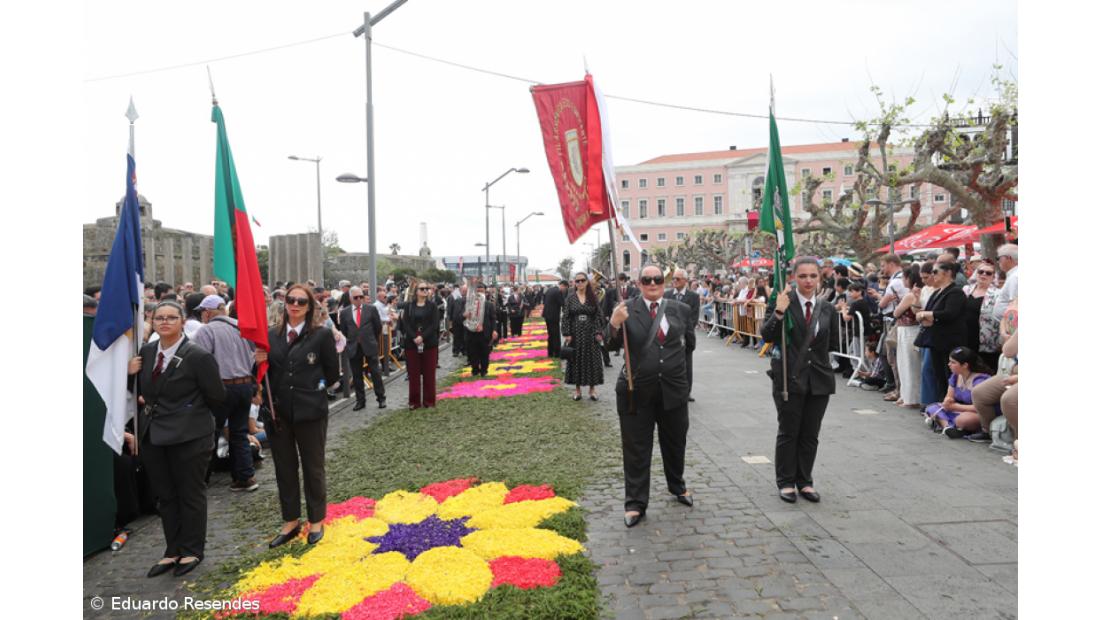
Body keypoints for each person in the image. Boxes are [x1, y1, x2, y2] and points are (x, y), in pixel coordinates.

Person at [128, 300, 226, 577]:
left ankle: (193, 549)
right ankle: (172, 550)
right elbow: (140, 390)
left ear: (183, 321)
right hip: (154, 435)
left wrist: (191, 414)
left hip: (190, 436)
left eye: (172, 317)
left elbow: (216, 396)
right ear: (153, 321)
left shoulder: (197, 355)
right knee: (166, 496)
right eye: (160, 318)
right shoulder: (146, 352)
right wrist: (128, 374)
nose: (165, 322)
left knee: (190, 494)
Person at [605, 265, 694, 527]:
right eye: (647, 279)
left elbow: (689, 346)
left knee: (675, 442)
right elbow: (609, 346)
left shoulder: (681, 309)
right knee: (636, 449)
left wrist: (684, 382)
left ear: (664, 281)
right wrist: (613, 324)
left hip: (673, 390)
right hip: (636, 391)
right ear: (639, 282)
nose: (653, 283)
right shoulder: (625, 308)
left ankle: (677, 486)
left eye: (657, 279)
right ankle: (635, 503)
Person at [255, 284, 340, 548]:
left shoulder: (321, 336)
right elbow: (260, 375)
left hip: (310, 412)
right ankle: (290, 520)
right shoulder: (270, 336)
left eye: (301, 302)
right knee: (284, 468)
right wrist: (257, 360)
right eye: (290, 300)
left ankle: (316, 520)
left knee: (313, 467)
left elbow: (333, 373)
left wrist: (314, 391)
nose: (294, 305)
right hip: (278, 413)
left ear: (310, 307)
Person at [762, 257, 840, 504]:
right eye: (803, 276)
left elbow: (833, 343)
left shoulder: (826, 308)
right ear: (793, 278)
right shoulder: (782, 301)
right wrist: (779, 311)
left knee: (810, 433)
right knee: (789, 431)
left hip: (818, 379)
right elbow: (766, 334)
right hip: (788, 378)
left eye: (813, 276)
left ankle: (805, 481)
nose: (808, 281)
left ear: (820, 278)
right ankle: (786, 482)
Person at [191, 294, 259, 492]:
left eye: (202, 311)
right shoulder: (241, 326)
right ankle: (245, 476)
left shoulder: (207, 330)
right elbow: (256, 354)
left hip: (222, 386)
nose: (202, 315)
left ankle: (202, 478)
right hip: (244, 385)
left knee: (209, 432)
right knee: (239, 432)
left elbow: (200, 361)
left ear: (208, 312)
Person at [915, 262, 967, 402]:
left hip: (948, 341)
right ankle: (940, 405)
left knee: (947, 375)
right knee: (938, 375)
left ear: (948, 273)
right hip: (936, 340)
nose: (933, 275)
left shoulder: (956, 292)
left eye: (936, 272)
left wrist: (928, 315)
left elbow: (950, 313)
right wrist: (925, 315)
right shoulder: (938, 291)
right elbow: (929, 311)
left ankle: (948, 405)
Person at [922, 347, 995, 438]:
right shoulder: (956, 376)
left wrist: (955, 407)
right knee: (932, 407)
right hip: (960, 409)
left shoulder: (979, 380)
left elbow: (980, 407)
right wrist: (948, 401)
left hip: (980, 412)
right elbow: (949, 397)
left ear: (965, 365)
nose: (949, 364)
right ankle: (948, 427)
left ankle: (947, 423)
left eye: (953, 362)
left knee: (963, 420)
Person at [338, 287, 386, 411]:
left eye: (361, 296)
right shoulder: (345, 313)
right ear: (350, 298)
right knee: (357, 375)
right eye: (356, 297)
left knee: (375, 373)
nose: (359, 299)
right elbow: (344, 330)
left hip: (369, 345)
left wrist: (371, 340)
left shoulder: (371, 309)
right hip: (354, 347)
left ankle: (381, 398)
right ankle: (360, 401)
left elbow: (377, 327)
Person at [562, 272, 606, 401]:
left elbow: (598, 315)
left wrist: (598, 331)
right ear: (574, 283)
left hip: (590, 333)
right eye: (577, 281)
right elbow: (565, 317)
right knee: (576, 361)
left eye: (582, 280)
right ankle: (577, 390)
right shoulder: (570, 298)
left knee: (592, 360)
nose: (580, 283)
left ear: (587, 282)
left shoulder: (593, 297)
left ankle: (592, 390)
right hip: (575, 334)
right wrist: (567, 333)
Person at [400, 281, 442, 408]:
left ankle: (429, 401)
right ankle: (414, 402)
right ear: (416, 291)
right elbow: (405, 324)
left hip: (429, 344)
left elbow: (434, 324)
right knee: (413, 374)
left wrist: (422, 337)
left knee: (429, 374)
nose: (425, 291)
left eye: (426, 289)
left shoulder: (432, 306)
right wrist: (415, 337)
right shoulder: (409, 306)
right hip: (412, 344)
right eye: (422, 289)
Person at [664, 269, 700, 400]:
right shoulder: (666, 295)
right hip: (670, 336)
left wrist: (684, 332)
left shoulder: (693, 297)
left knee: (686, 364)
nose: (674, 281)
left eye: (677, 279)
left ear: (685, 281)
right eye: (673, 278)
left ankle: (687, 391)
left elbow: (694, 317)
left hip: (686, 336)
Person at [892, 265, 924, 409]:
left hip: (909, 330)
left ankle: (911, 398)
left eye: (904, 277)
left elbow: (896, 313)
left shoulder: (911, 295)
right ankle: (906, 395)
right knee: (905, 364)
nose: (903, 280)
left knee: (909, 365)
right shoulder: (915, 293)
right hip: (907, 330)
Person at [963, 260, 1001, 370]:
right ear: (976, 273)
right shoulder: (966, 289)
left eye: (988, 273)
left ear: (993, 277)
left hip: (987, 341)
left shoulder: (998, 294)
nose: (984, 274)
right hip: (966, 336)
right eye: (981, 272)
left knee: (985, 370)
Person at [463, 282, 498, 376]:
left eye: (481, 288)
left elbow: (493, 318)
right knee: (472, 353)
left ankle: (484, 370)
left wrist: (494, 330)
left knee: (484, 353)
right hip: (471, 332)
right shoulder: (468, 304)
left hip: (484, 333)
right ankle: (475, 369)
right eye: (477, 289)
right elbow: (461, 317)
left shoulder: (489, 305)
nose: (479, 290)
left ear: (485, 291)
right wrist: (465, 315)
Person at [991, 243, 1018, 323]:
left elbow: (1015, 308)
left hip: (1011, 328)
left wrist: (1008, 332)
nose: (998, 261)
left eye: (998, 258)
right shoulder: (1014, 275)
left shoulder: (1015, 277)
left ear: (1009, 258)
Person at [542, 280, 567, 359]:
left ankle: (550, 352)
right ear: (562, 285)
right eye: (565, 288)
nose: (564, 290)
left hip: (547, 316)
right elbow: (562, 303)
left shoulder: (550, 289)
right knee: (556, 335)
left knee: (550, 334)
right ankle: (557, 353)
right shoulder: (558, 292)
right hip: (553, 316)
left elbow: (544, 301)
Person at [448, 285, 467, 358]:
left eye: (466, 291)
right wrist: (450, 321)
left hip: (465, 319)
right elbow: (449, 309)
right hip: (456, 319)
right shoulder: (453, 296)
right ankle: (456, 350)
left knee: (464, 336)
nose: (465, 292)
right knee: (456, 336)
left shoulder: (467, 296)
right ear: (460, 289)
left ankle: (464, 350)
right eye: (464, 291)